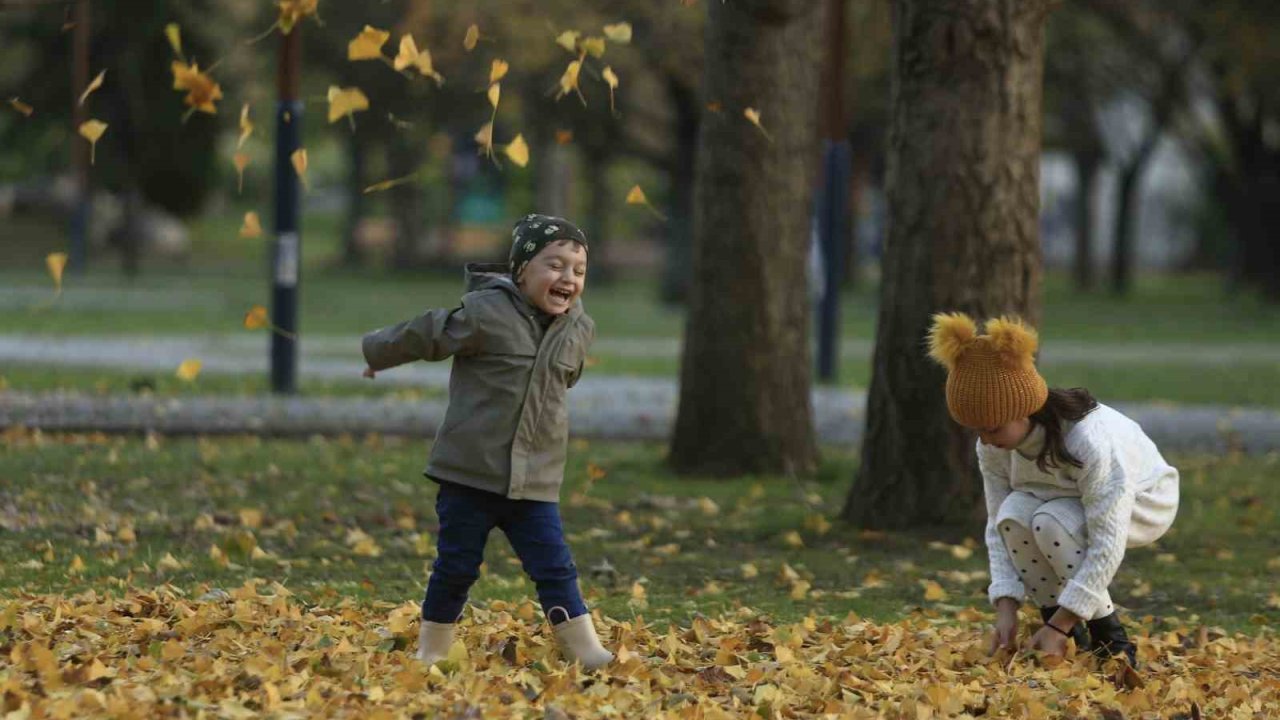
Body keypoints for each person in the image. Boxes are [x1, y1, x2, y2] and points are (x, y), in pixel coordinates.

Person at [361, 214, 612, 670]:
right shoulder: (484, 313)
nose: (568, 278)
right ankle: (433, 648)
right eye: (554, 265)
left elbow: (563, 383)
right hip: (469, 476)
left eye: (578, 270)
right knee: (456, 568)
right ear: (521, 271)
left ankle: (584, 648)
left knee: (555, 568)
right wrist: (378, 352)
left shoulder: (579, 329)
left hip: (534, 481)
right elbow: (427, 333)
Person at [927, 312, 1179, 666]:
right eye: (976, 430)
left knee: (1049, 521)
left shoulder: (1089, 441)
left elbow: (1108, 540)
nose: (984, 440)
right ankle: (1062, 640)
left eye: (993, 428)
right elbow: (998, 524)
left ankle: (1111, 642)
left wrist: (1063, 621)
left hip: (1143, 501)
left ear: (1022, 410)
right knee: (1014, 514)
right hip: (1061, 500)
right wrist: (1005, 606)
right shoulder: (994, 446)